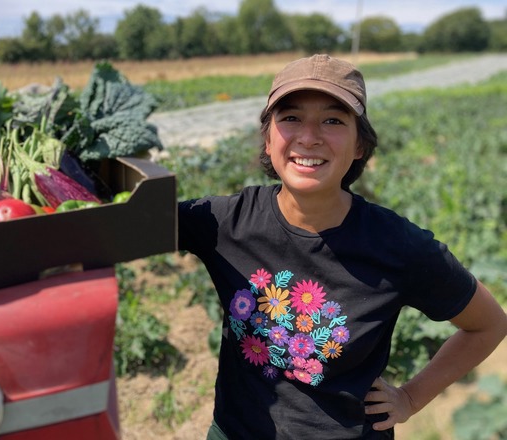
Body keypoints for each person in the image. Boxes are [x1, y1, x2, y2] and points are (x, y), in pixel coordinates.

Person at [177, 54, 507, 439]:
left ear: (359, 145)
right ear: (268, 139)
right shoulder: (224, 222)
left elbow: (488, 325)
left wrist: (411, 399)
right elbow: (117, 224)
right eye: (291, 118)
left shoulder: (397, 245)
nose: (309, 136)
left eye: (333, 120)